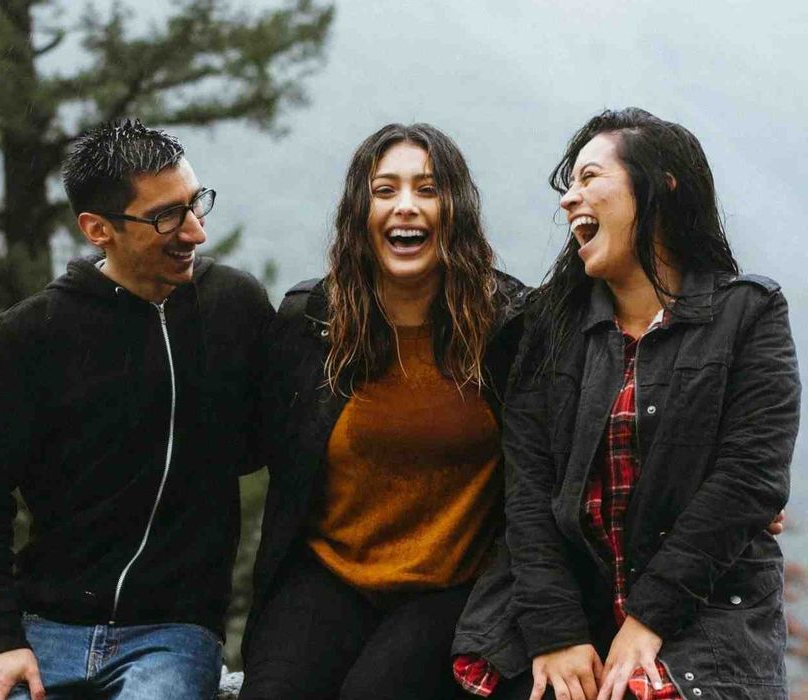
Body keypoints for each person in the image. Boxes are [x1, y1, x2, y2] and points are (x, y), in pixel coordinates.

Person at [0, 119, 273, 700]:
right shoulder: (34, 334)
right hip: (44, 630)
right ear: (98, 229)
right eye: (166, 216)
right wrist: (2, 639)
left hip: (172, 635)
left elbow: (282, 441)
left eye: (196, 204)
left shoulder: (235, 307)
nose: (194, 231)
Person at [485, 107, 799, 700]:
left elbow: (751, 478)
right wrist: (555, 632)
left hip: (709, 624)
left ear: (661, 185)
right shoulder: (544, 329)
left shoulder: (749, 314)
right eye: (568, 185)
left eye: (589, 178)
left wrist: (648, 620)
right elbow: (527, 493)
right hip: (575, 620)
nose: (568, 200)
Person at [238, 122, 528, 700]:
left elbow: (586, 427)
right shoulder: (311, 322)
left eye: (427, 189)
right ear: (359, 211)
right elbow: (240, 440)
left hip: (452, 588)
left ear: (456, 209)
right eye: (385, 189)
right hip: (329, 576)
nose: (406, 207)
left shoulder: (508, 327)